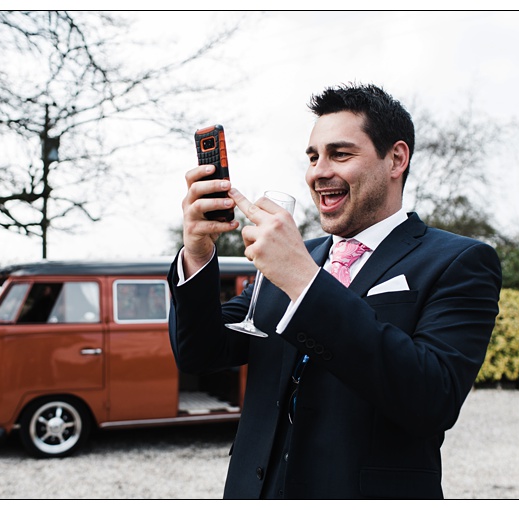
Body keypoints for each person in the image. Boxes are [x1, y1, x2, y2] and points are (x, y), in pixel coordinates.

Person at [169, 84, 502, 499]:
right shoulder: (295, 255)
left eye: (339, 154)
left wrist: (306, 283)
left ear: (396, 158)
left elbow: (432, 399)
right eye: (312, 157)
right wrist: (197, 253)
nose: (317, 172)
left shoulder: (461, 261)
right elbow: (201, 352)